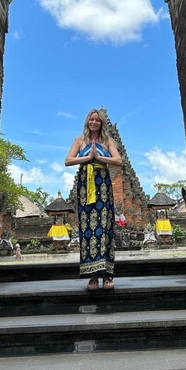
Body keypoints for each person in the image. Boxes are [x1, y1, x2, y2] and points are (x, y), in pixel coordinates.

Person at [65, 108, 122, 291]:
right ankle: (93, 276)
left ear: (101, 123)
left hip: (102, 184)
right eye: (91, 119)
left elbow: (118, 161)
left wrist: (99, 157)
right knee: (88, 228)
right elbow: (68, 160)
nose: (94, 122)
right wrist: (88, 157)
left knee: (104, 228)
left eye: (97, 120)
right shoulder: (79, 141)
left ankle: (106, 275)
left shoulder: (107, 141)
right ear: (87, 122)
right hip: (85, 185)